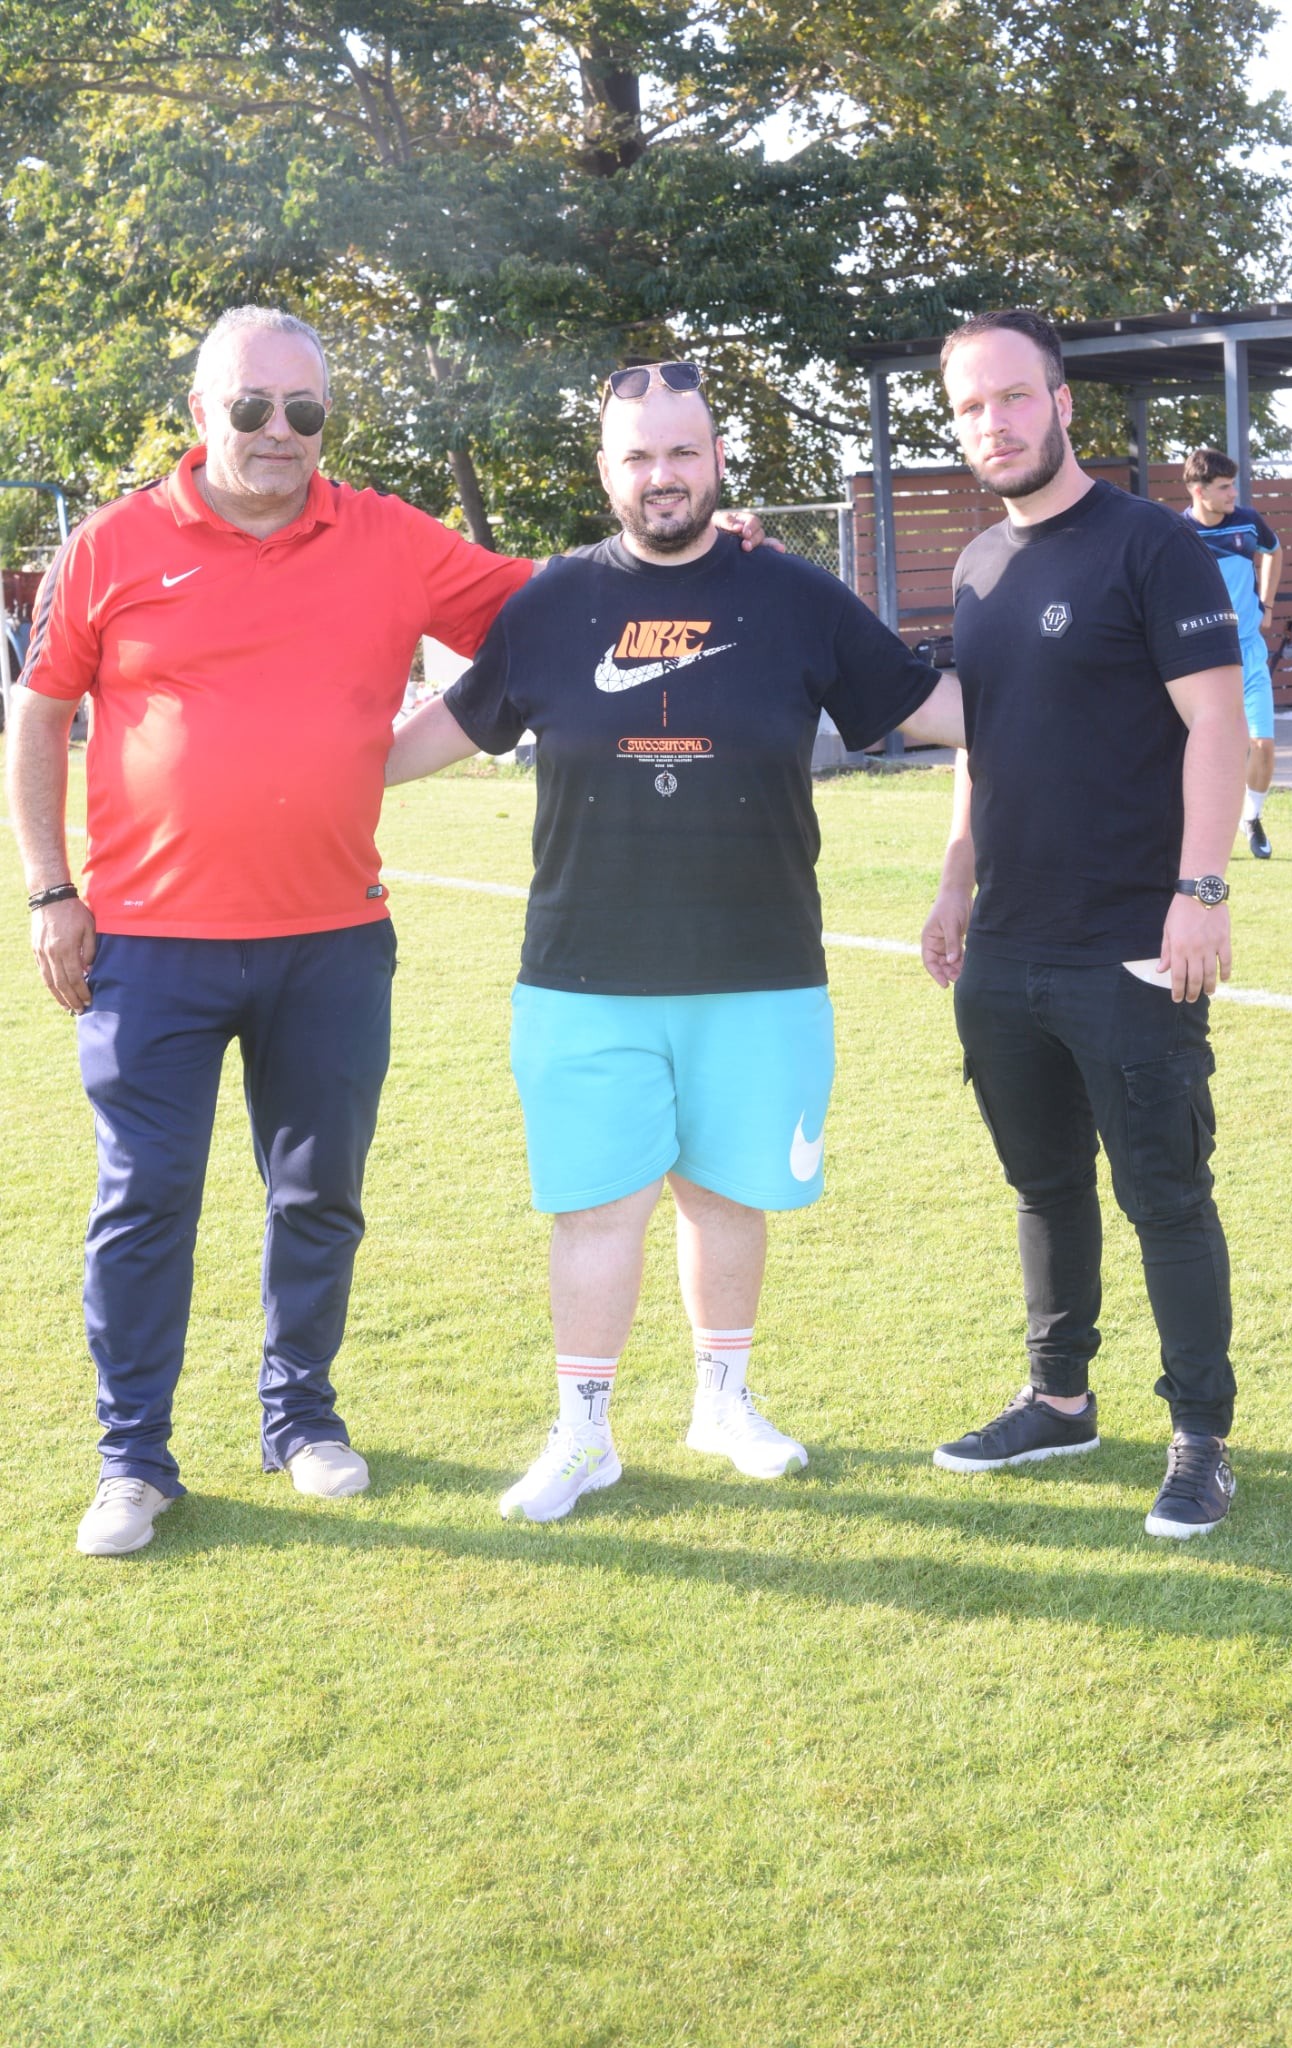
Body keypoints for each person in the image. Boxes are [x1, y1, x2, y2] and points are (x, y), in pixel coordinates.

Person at [8, 309, 766, 1559]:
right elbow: (39, 716)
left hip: (333, 940)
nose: (280, 431)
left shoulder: (386, 537)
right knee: (144, 1203)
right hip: (148, 944)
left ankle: (300, 1415)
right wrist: (51, 890)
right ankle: (132, 1458)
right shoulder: (111, 545)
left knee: (320, 1197)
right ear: (201, 411)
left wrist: (700, 553)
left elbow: (563, 600)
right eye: (253, 407)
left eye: (305, 410)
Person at [385, 360, 966, 1522]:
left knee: (727, 1196)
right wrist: (295, 773)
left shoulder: (793, 594)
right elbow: (438, 732)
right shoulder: (552, 602)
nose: (663, 475)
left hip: (759, 968)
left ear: (716, 460)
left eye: (683, 451)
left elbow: (944, 709)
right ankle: (583, 1435)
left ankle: (723, 1402)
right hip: (583, 975)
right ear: (606, 471)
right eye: (639, 455)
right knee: (597, 1208)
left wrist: (1104, 703)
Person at [920, 310, 1247, 1540]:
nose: (993, 423)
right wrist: (955, 878)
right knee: (1044, 1183)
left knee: (1165, 1191)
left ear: (1061, 403)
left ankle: (1201, 1433)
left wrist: (1200, 888)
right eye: (970, 406)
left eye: (1014, 396)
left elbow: (1217, 723)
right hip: (1007, 942)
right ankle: (1059, 1399)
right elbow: (981, 743)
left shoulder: (1151, 545)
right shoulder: (975, 567)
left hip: (1131, 941)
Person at [1182, 447, 1282, 858]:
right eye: (1224, 487)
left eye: (1233, 485)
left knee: (1262, 746)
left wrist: (1267, 606)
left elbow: (1274, 551)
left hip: (1249, 652)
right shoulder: (1178, 532)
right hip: (1200, 659)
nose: (1233, 494)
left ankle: (1251, 818)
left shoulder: (1248, 521)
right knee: (1195, 751)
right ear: (1199, 491)